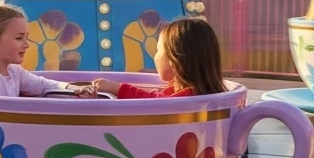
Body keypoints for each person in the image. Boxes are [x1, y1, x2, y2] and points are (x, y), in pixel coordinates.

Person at [0, 5, 94, 97]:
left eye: (26, 38)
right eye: (19, 38)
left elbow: (43, 85)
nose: (27, 45)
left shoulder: (14, 71)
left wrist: (74, 89)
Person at [95, 18, 228, 98]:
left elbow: (155, 103)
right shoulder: (203, 91)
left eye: (158, 50)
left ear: (173, 60)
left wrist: (117, 88)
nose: (155, 55)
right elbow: (158, 96)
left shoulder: (187, 98)